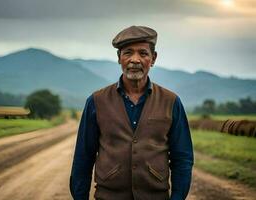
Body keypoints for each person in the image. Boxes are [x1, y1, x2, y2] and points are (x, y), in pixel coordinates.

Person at [70, 25, 194, 200]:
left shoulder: (171, 101)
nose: (135, 60)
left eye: (143, 53)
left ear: (153, 58)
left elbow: (182, 159)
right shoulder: (96, 101)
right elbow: (83, 158)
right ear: (119, 58)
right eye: (128, 52)